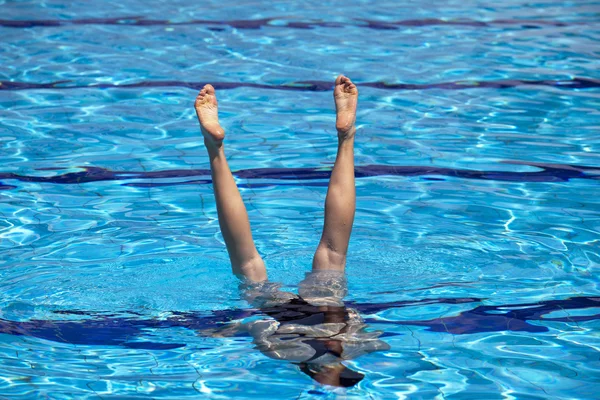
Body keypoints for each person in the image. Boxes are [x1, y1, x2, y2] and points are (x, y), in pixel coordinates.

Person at [194, 75, 389, 388]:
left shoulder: (357, 348)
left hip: (331, 310)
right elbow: (258, 325)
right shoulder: (283, 355)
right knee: (248, 263)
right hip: (287, 315)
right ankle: (214, 148)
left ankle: (347, 138)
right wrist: (231, 330)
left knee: (333, 253)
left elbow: (366, 327)